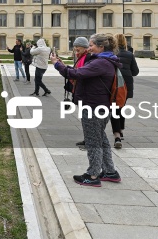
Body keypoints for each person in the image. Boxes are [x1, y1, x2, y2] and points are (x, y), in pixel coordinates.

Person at [51, 33, 122, 187]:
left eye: (91, 45)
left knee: (92, 141)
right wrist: (64, 65)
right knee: (101, 139)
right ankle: (110, 171)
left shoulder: (101, 62)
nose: (89, 49)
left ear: (101, 47)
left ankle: (93, 174)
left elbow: (76, 74)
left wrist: (57, 65)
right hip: (100, 105)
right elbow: (80, 72)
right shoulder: (105, 60)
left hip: (93, 106)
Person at [111, 33, 139, 149]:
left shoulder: (112, 54)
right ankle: (121, 129)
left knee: (114, 109)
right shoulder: (129, 54)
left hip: (115, 84)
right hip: (127, 85)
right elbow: (135, 71)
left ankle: (117, 134)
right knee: (121, 106)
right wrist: (127, 73)